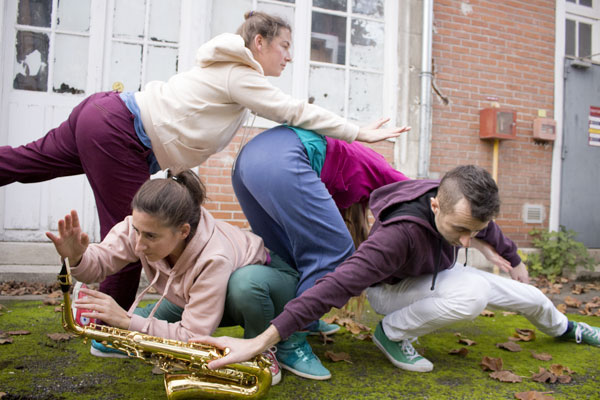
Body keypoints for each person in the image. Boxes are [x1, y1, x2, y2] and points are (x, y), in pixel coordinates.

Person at [0, 10, 409, 313]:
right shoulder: (240, 72)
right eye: (284, 47)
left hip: (104, 113)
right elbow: (293, 111)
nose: (288, 58)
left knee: (22, 163)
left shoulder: (229, 71)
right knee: (136, 236)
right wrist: (359, 131)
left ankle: (106, 320)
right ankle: (106, 327)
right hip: (120, 131)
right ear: (260, 43)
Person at [197, 165, 600, 375]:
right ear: (436, 205)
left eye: (473, 231)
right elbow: (335, 285)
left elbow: (487, 230)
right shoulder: (398, 237)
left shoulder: (464, 208)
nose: (466, 242)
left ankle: (567, 329)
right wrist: (263, 340)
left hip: (432, 279)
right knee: (474, 292)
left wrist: (513, 259)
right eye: (460, 230)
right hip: (393, 292)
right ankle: (391, 334)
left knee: (527, 295)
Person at [46, 169, 297, 385]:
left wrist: (126, 320)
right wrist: (77, 256)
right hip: (197, 295)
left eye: (151, 237)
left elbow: (193, 335)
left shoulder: (213, 256)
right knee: (116, 333)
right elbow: (98, 263)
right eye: (137, 231)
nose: (139, 245)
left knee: (245, 285)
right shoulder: (143, 226)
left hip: (272, 280)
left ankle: (261, 350)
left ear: (183, 231)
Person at [229, 124, 409, 380]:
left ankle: (306, 320)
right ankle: (291, 343)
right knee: (336, 251)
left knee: (290, 252)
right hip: (282, 158)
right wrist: (484, 234)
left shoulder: (334, 178)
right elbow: (428, 195)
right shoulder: (380, 170)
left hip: (245, 163)